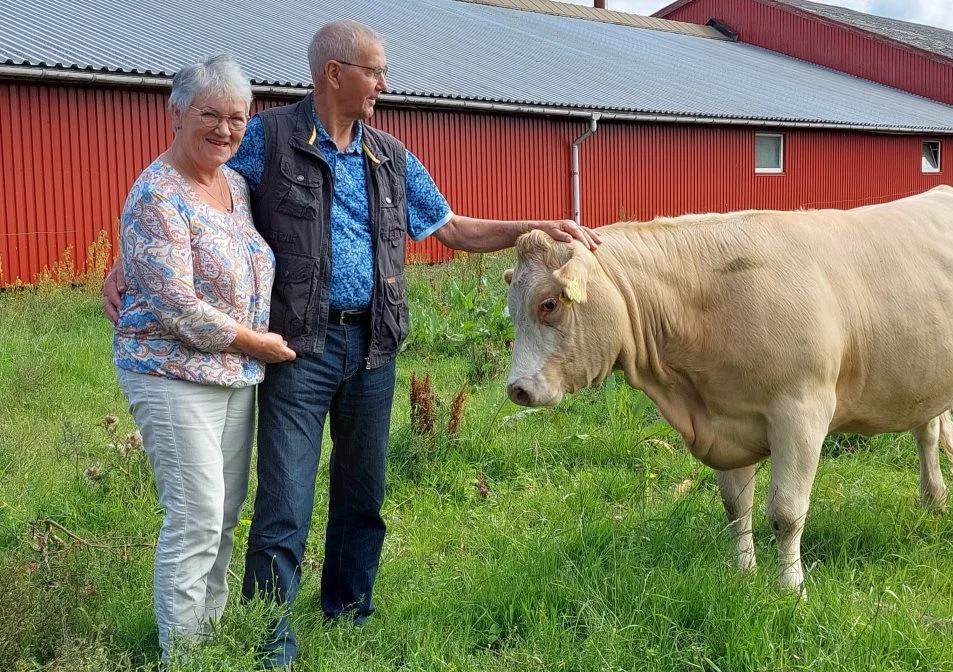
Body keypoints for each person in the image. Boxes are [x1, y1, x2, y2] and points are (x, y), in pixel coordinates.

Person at [106, 20, 599, 668]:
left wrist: (531, 226)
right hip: (298, 346)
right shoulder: (267, 137)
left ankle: (347, 609)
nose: (384, 84)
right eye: (374, 70)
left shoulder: (389, 155)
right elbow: (195, 180)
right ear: (334, 73)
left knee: (363, 492)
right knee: (284, 501)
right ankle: (267, 637)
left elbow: (451, 228)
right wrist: (127, 263)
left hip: (374, 344)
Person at [110, 54, 296, 664]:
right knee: (194, 516)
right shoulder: (157, 193)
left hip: (235, 376)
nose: (224, 129)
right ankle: (183, 656)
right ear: (175, 115)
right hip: (171, 372)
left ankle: (209, 639)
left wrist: (251, 353)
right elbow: (178, 306)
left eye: (236, 117)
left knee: (223, 515)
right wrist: (258, 342)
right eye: (210, 114)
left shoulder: (234, 186)